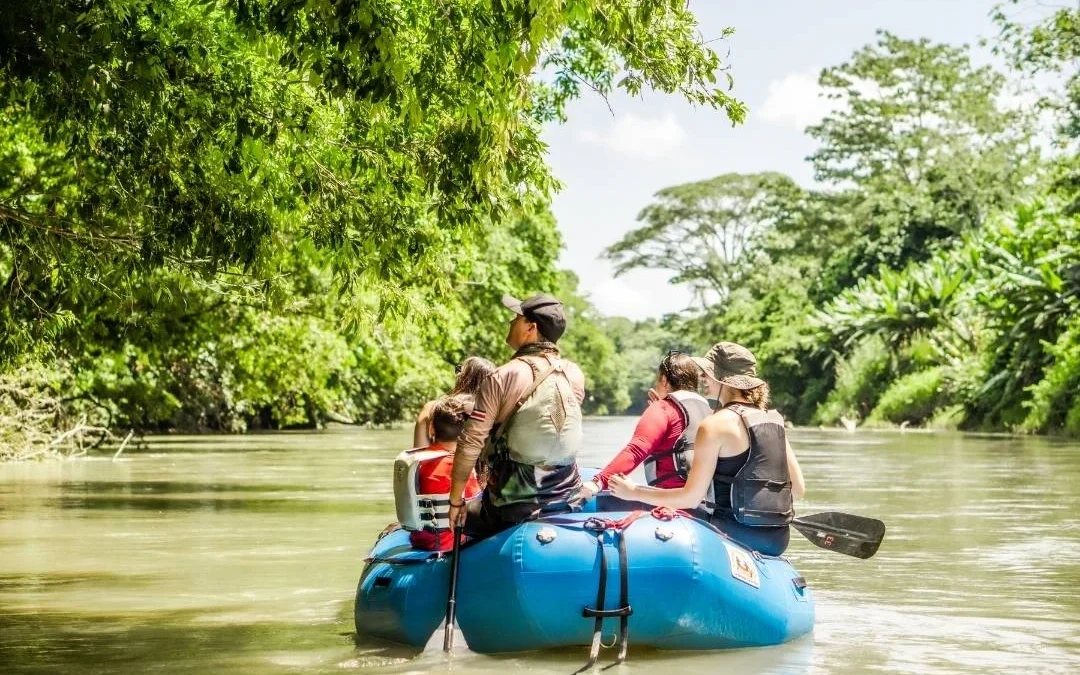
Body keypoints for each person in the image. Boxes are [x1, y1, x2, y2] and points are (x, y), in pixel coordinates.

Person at [610, 342, 806, 556]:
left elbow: (691, 498)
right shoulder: (774, 421)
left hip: (733, 534)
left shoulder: (714, 425)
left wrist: (633, 491)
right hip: (777, 539)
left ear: (724, 380)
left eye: (707, 373)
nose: (702, 377)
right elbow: (797, 489)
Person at [446, 293, 586, 538]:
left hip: (513, 505)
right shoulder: (574, 374)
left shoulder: (504, 376)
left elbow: (470, 442)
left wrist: (456, 501)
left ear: (531, 327)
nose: (511, 322)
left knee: (467, 517)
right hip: (567, 497)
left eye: (516, 318)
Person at [575, 352, 711, 505]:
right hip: (704, 506)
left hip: (672, 505)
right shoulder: (710, 412)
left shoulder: (663, 409)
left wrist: (597, 482)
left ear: (664, 381)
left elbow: (636, 450)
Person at [395, 396, 482, 551]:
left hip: (422, 541)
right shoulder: (465, 465)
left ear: (431, 429)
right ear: (467, 432)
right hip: (457, 545)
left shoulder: (417, 461)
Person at [413, 356, 496, 448]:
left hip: (438, 461)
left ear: (462, 377)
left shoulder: (431, 408)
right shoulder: (492, 413)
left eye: (459, 370)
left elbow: (419, 451)